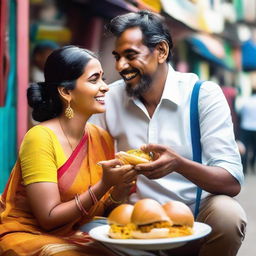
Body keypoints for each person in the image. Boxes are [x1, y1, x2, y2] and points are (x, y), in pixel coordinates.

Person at [90, 10, 247, 256]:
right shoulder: (108, 99)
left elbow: (231, 180)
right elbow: (91, 168)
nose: (121, 66)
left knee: (229, 215)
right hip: (129, 216)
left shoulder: (202, 95)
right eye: (117, 57)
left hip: (194, 215)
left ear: (161, 51)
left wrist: (178, 164)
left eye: (130, 56)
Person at [0, 45, 137, 256]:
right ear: (66, 92)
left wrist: (120, 187)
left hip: (74, 233)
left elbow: (102, 212)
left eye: (103, 79)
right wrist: (104, 184)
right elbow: (48, 217)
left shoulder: (102, 138)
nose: (105, 87)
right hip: (27, 234)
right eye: (94, 80)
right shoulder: (40, 138)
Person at [238, 72, 256, 174]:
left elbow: (240, 112)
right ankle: (252, 166)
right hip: (255, 128)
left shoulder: (246, 101)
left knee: (244, 148)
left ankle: (244, 168)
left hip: (245, 127)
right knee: (254, 149)